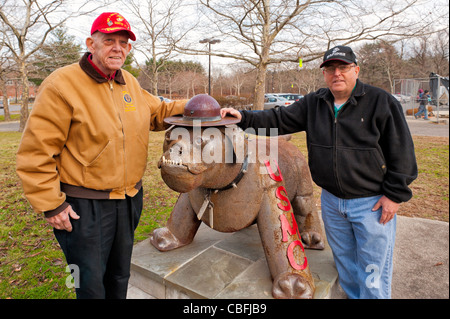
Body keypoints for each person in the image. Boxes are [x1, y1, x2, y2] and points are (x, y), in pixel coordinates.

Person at [220, 45, 418, 299]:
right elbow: (279, 119)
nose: (337, 73)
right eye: (331, 68)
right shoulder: (315, 102)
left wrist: (394, 196)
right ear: (324, 74)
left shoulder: (381, 102)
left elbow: (402, 152)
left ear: (356, 70)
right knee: (345, 263)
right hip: (332, 202)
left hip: (371, 204)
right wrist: (243, 117)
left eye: (343, 67)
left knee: (373, 268)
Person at [16, 12, 187, 299]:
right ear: (91, 43)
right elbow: (36, 151)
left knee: (119, 275)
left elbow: (157, 112)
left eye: (123, 42)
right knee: (87, 282)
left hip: (128, 200)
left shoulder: (128, 82)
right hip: (83, 206)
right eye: (109, 40)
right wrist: (51, 205)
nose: (117, 48)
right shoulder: (62, 85)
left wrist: (200, 106)